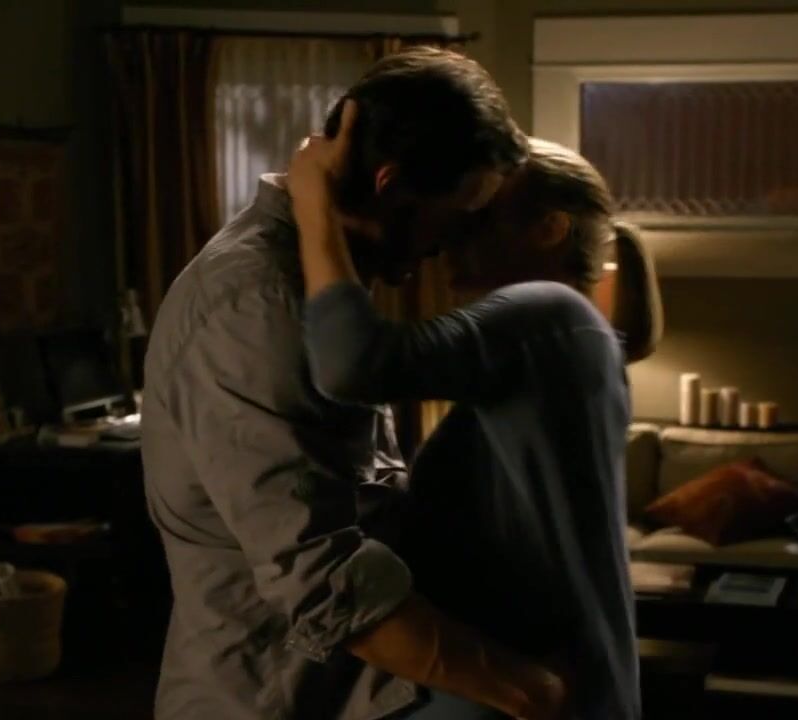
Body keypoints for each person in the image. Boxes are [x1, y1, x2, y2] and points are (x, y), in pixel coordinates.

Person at [140, 47, 569, 720]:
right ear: (389, 184)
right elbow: (321, 580)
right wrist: (528, 690)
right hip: (269, 704)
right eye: (460, 212)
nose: (457, 241)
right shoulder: (257, 307)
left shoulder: (317, 284)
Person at [290, 105, 652, 719]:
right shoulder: (569, 336)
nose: (449, 236)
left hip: (530, 689)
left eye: (480, 216)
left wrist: (313, 202)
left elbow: (355, 362)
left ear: (549, 229)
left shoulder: (549, 312)